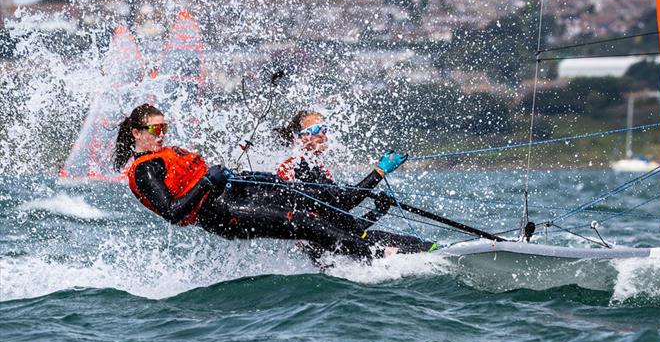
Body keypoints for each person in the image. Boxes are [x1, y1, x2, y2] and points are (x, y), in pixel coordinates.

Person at [114, 103, 434, 259]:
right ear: (137, 133)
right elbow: (173, 211)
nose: (161, 136)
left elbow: (339, 205)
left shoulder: (168, 154)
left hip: (235, 194)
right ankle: (375, 258)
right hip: (220, 213)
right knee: (301, 221)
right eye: (155, 130)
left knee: (302, 201)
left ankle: (419, 250)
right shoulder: (144, 169)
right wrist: (208, 183)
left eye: (163, 129)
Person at [274, 110, 434, 255]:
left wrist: (376, 213)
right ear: (299, 138)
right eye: (315, 130)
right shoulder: (299, 167)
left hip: (342, 244)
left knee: (415, 243)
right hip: (332, 252)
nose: (322, 135)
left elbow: (339, 220)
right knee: (418, 250)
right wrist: (379, 172)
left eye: (324, 129)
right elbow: (344, 201)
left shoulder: (315, 167)